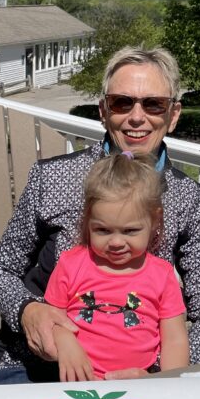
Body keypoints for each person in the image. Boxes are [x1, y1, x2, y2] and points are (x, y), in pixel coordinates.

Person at [0, 46, 200, 383]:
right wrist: (27, 310)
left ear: (173, 115)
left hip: (142, 374)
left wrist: (158, 373)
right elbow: (0, 272)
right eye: (122, 103)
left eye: (153, 104)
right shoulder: (52, 179)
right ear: (103, 110)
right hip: (35, 363)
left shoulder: (188, 198)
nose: (137, 117)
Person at [45, 151, 189, 381]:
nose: (116, 242)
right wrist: (64, 339)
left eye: (130, 231)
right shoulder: (71, 264)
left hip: (140, 382)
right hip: (76, 382)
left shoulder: (161, 275)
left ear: (154, 221)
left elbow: (175, 339)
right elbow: (51, 318)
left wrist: (166, 385)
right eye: (102, 230)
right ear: (88, 221)